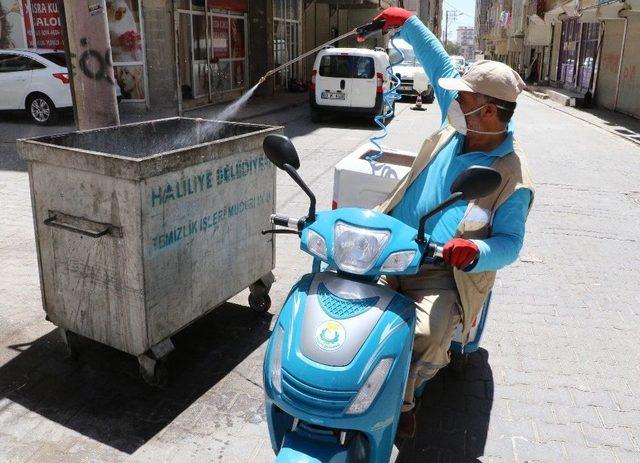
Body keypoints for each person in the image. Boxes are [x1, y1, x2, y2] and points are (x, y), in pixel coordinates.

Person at [371, 7, 534, 438]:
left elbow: (511, 243)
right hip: (392, 248)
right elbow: (440, 62)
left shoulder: (512, 175)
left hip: (441, 273)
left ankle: (406, 398)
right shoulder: (458, 122)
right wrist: (408, 21)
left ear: (489, 112)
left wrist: (476, 251)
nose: (454, 101)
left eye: (463, 97)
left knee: (429, 333)